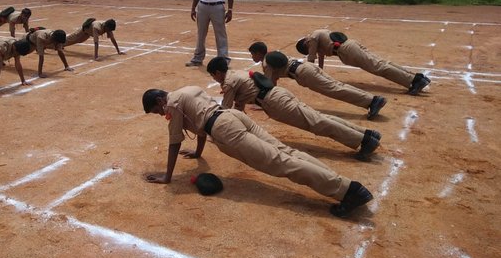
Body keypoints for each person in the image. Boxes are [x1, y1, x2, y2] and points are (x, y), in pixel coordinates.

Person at [142, 86, 374, 217]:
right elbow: (199, 124)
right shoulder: (187, 90)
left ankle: (347, 190)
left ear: (160, 100)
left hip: (225, 130)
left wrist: (167, 177)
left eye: (155, 110)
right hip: (234, 116)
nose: (160, 114)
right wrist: (199, 153)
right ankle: (342, 184)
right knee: (286, 152)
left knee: (281, 162)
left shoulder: (171, 105)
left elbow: (174, 143)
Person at [207, 57, 380, 161]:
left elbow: (225, 110)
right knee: (317, 117)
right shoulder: (237, 73)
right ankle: (366, 134)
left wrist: (214, 133)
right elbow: (238, 107)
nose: (214, 79)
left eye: (213, 75)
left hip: (274, 102)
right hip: (278, 95)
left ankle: (363, 141)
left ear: (217, 72)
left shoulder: (229, 82)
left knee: (317, 123)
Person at [248, 42, 386, 119]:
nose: (252, 57)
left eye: (253, 54)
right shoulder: (273, 53)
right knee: (337, 86)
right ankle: (372, 100)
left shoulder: (266, 63)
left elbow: (270, 85)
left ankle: (372, 101)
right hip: (307, 67)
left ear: (259, 53)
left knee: (335, 89)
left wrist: (262, 104)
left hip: (303, 74)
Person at [296, 29, 431, 95]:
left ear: (305, 44)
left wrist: (311, 74)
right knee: (381, 63)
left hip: (347, 50)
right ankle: (416, 78)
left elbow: (312, 59)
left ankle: (414, 82)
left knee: (378, 67)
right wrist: (320, 73)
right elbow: (319, 59)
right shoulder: (320, 35)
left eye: (306, 49)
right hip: (350, 45)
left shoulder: (312, 38)